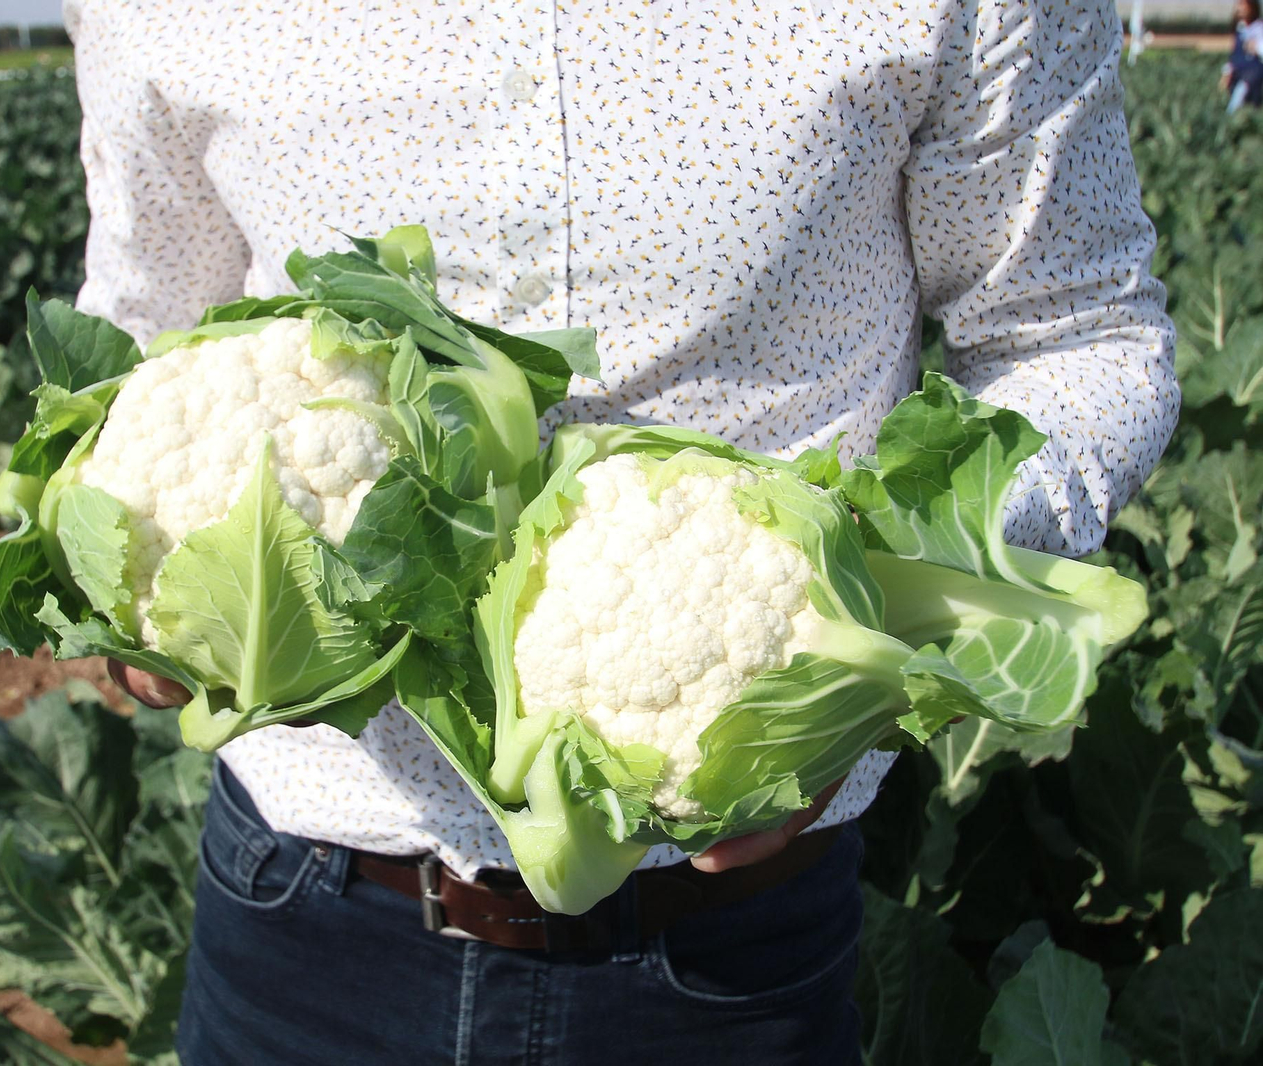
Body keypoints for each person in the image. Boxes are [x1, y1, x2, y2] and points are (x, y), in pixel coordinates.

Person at [62, 1, 1177, 1062]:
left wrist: (857, 619)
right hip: (303, 922)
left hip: (727, 950)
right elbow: (146, 339)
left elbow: (1078, 330)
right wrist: (139, 590)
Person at [1222, 0, 1263, 112]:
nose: (1240, 9)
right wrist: (1227, 72)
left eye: (1243, 6)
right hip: (1239, 70)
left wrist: (1257, 48)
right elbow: (1234, 55)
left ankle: (1229, 117)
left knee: (1241, 91)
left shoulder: (1259, 28)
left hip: (1254, 71)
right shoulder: (1239, 29)